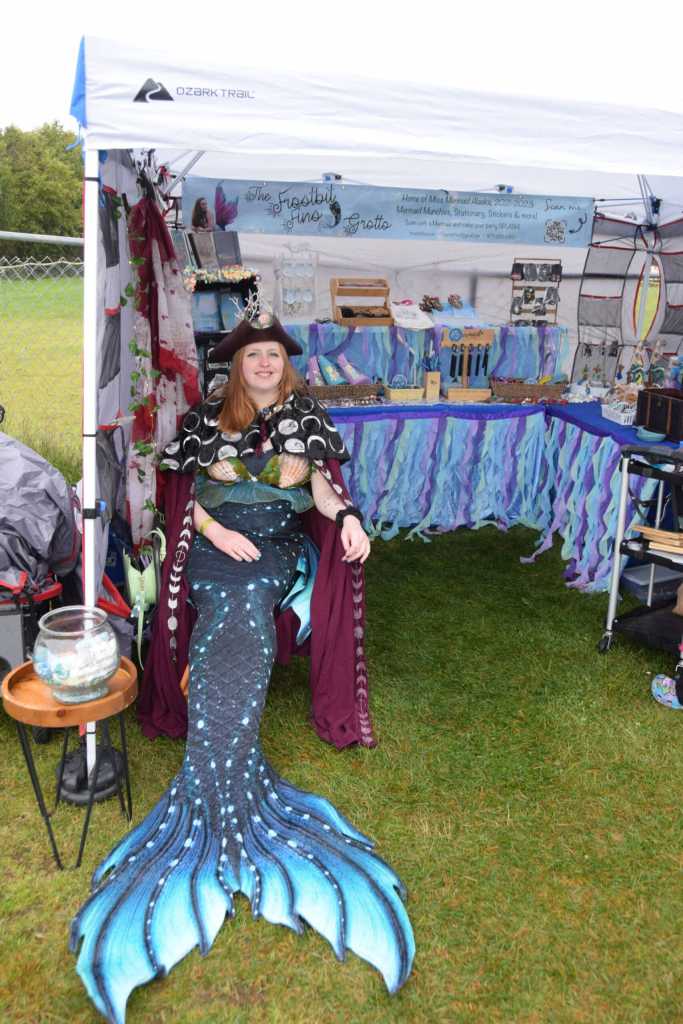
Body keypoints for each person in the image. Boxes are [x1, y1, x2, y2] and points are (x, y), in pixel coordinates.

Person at [70, 313, 415, 1024]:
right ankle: (224, 778)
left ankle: (215, 777)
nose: (263, 364)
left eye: (272, 356)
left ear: (284, 364)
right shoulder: (205, 420)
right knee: (228, 606)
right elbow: (184, 499)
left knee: (250, 610)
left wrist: (347, 517)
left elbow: (320, 492)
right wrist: (218, 532)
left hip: (274, 548)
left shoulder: (307, 418)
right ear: (236, 366)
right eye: (252, 355)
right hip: (213, 545)